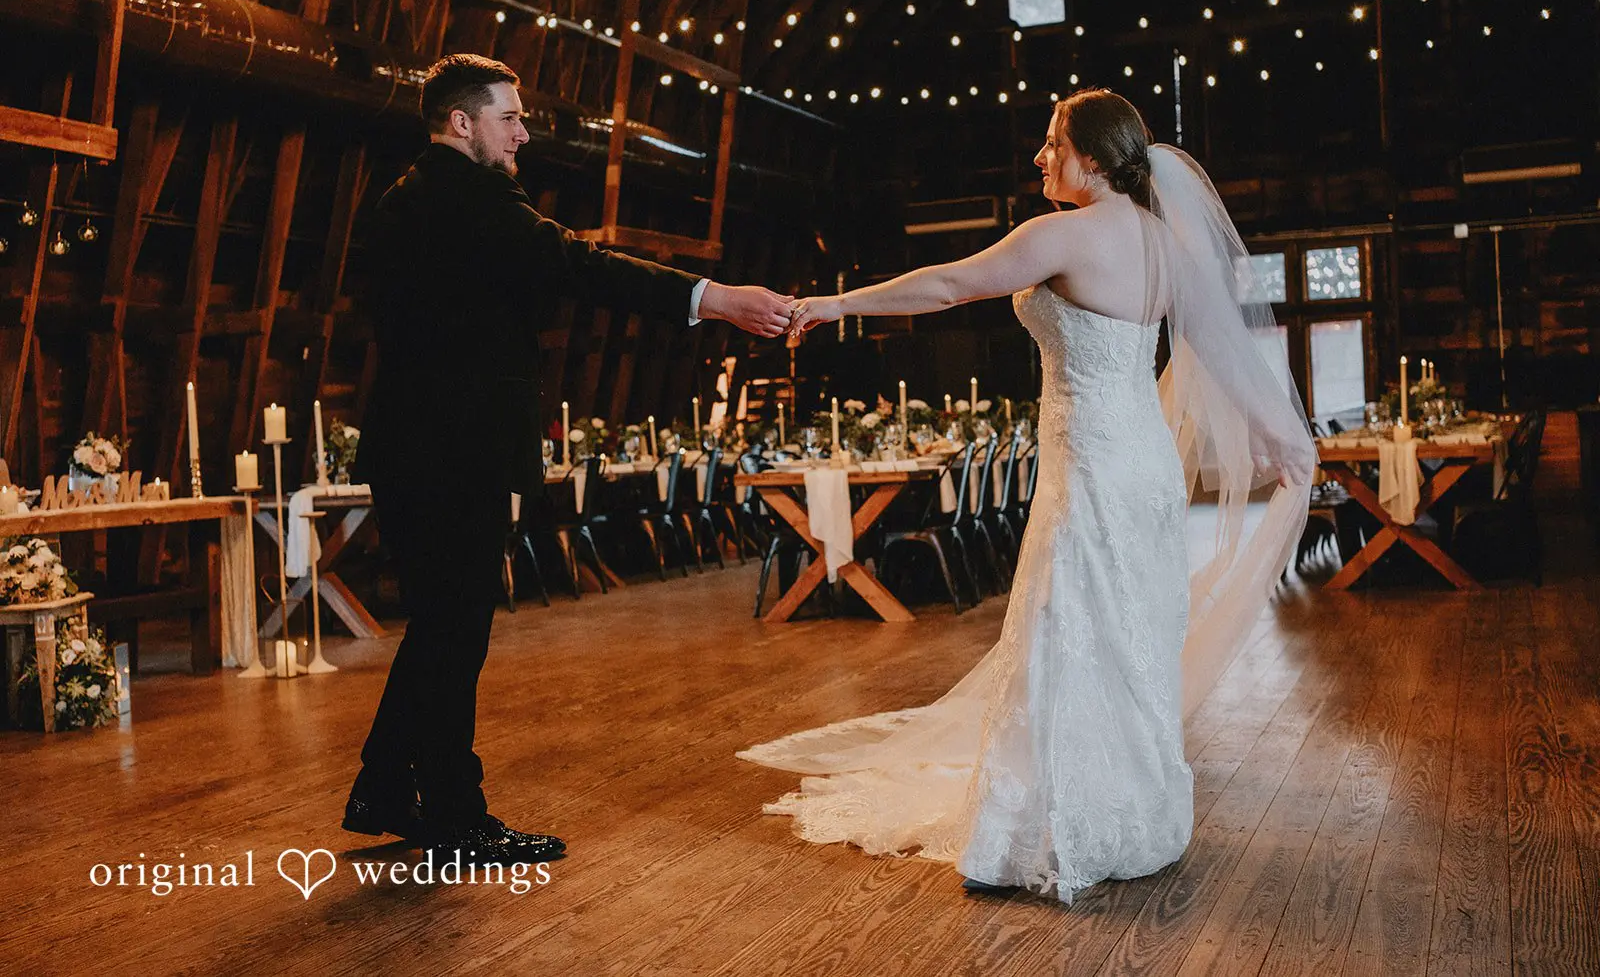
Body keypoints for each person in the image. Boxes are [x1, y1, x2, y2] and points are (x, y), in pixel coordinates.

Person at [740, 89, 1314, 902]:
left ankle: (1048, 826)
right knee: (1130, 640)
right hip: (1143, 469)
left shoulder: (1062, 234)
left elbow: (947, 286)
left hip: (1088, 470)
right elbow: (1220, 344)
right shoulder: (1164, 242)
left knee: (1066, 626)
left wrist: (838, 304)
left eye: (1052, 143)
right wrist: (1282, 434)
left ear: (1091, 156)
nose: (1040, 158)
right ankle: (1134, 816)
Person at [345, 54, 793, 865]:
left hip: (412, 445)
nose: (523, 134)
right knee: (457, 632)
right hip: (458, 449)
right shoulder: (471, 195)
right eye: (509, 118)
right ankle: (455, 814)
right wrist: (717, 299)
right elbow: (579, 266)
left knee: (440, 627)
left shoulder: (398, 200)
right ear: (460, 122)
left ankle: (383, 785)